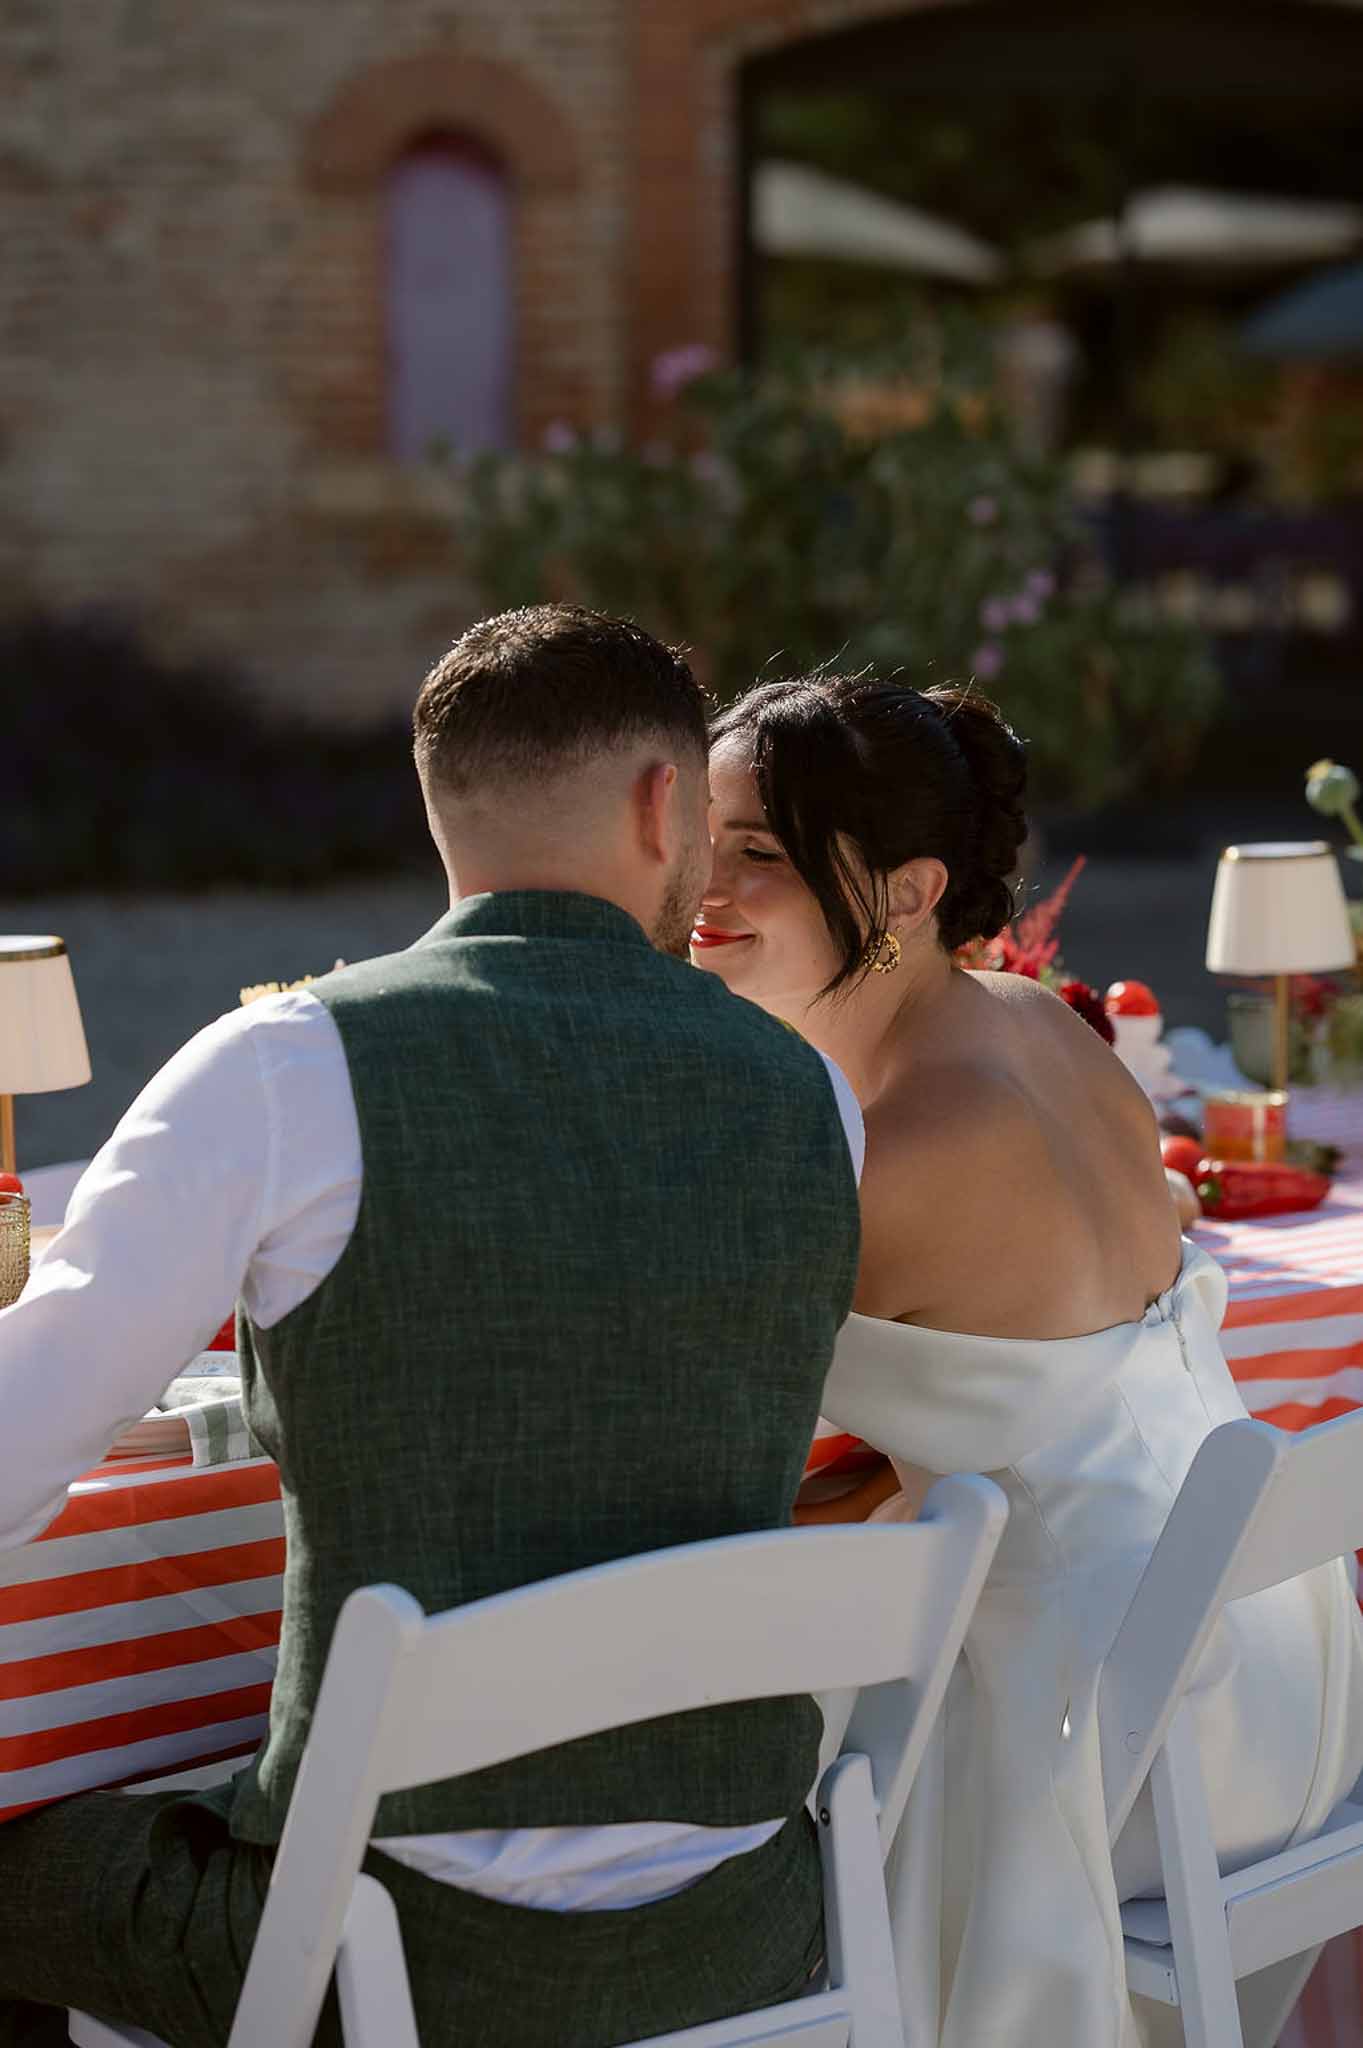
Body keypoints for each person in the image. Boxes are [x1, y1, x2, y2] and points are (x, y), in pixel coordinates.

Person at [0, 606, 865, 2048]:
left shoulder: (284, 1067)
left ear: (440, 803)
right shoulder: (809, 1097)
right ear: (665, 806)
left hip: (393, 1951)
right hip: (747, 1922)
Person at [692, 669, 1363, 2048]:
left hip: (1119, 1729)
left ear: (907, 890)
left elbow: (690, 1437)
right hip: (1283, 1659)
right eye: (698, 839)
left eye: (756, 852)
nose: (702, 884)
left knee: (651, 1713)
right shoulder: (1041, 1024)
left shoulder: (889, 1156)